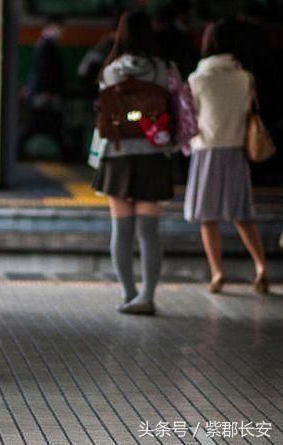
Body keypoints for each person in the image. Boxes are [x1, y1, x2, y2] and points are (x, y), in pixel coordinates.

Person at [90, 11, 176, 315]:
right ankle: (147, 297)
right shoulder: (164, 69)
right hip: (152, 155)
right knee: (149, 233)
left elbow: (102, 115)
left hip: (117, 155)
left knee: (121, 230)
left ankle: (128, 295)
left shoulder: (111, 71)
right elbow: (176, 106)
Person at [184, 20, 269, 294]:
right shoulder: (245, 77)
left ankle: (218, 272)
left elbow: (190, 117)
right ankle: (260, 267)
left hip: (206, 151)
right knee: (242, 214)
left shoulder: (197, 79)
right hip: (235, 151)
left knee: (208, 218)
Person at [17, 17, 66, 160]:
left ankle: (18, 150)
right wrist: (47, 93)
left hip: (42, 93)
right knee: (39, 125)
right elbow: (45, 71)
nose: (61, 32)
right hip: (44, 94)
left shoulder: (43, 44)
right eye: (59, 28)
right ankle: (18, 150)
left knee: (41, 125)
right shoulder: (46, 46)